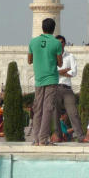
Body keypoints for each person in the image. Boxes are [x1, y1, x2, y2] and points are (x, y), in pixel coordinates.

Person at [27, 18, 63, 146]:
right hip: (51, 78)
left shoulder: (33, 42)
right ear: (54, 29)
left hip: (39, 79)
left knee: (38, 109)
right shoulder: (57, 43)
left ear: (42, 27)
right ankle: (43, 139)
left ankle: (36, 139)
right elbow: (60, 63)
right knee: (48, 108)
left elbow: (29, 60)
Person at [55, 35, 85, 141]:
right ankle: (58, 136)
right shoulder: (51, 56)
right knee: (55, 113)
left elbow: (74, 72)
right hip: (55, 88)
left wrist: (58, 72)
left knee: (73, 112)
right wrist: (64, 71)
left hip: (66, 88)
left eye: (62, 42)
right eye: (57, 42)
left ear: (64, 43)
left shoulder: (70, 56)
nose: (60, 44)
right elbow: (51, 72)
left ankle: (80, 136)